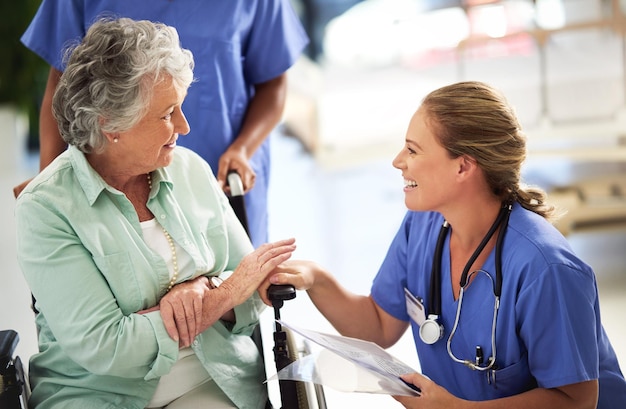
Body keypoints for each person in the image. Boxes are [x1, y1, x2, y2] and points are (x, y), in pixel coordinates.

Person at [262, 81, 626, 408]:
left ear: (463, 167)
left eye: (413, 150)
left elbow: (576, 401)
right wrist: (317, 278)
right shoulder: (423, 226)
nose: (398, 162)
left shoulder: (545, 268)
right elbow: (377, 326)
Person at [15, 18, 297, 409]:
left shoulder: (190, 169)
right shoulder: (45, 208)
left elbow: (254, 292)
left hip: (212, 380)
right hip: (97, 395)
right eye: (167, 114)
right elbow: (109, 347)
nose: (184, 125)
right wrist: (220, 296)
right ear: (111, 124)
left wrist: (201, 291)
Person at [17, 0, 309, 248]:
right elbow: (63, 84)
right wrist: (50, 187)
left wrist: (243, 149)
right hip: (112, 187)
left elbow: (273, 84)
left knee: (237, 296)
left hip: (223, 180)